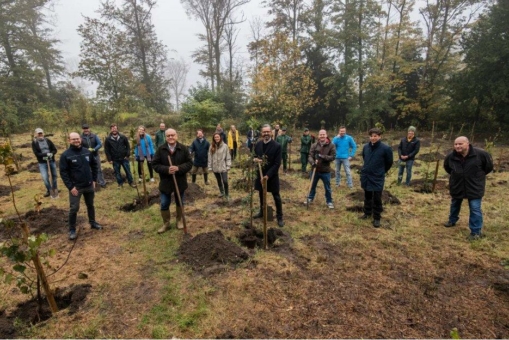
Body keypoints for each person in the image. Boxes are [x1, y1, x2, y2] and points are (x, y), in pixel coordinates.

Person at [443, 136, 493, 241]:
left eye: (460, 144)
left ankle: (475, 232)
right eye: (456, 144)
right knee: (455, 203)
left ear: (467, 143)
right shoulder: (450, 157)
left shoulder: (481, 154)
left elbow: (488, 167)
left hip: (474, 186)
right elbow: (448, 168)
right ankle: (452, 220)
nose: (457, 146)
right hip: (457, 185)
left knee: (475, 208)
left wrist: (476, 177)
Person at [59, 132, 102, 240]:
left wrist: (94, 179)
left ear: (80, 139)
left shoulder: (87, 152)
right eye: (73, 139)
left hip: (88, 185)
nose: (76, 141)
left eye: (77, 138)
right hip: (76, 187)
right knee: (74, 208)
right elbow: (63, 173)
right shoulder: (65, 155)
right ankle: (72, 229)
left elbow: (94, 165)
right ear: (69, 140)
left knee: (90, 205)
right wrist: (71, 187)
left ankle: (92, 222)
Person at [152, 128, 193, 233]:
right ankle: (166, 223)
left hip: (180, 181)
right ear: (165, 137)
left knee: (180, 202)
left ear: (176, 136)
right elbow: (155, 164)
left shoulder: (183, 148)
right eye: (168, 136)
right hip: (166, 182)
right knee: (165, 203)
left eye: (172, 135)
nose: (170, 137)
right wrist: (166, 169)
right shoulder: (161, 150)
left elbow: (189, 163)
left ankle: (179, 221)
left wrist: (178, 168)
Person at [360, 128, 393, 228]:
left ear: (379, 136)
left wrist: (381, 171)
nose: (373, 138)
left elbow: (389, 162)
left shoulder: (385, 148)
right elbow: (364, 158)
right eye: (371, 136)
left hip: (377, 176)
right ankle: (367, 213)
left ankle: (377, 217)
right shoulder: (366, 147)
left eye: (375, 136)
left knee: (377, 197)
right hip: (366, 175)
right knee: (367, 195)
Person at [253, 124, 284, 227]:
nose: (266, 133)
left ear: (271, 132)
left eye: (267, 132)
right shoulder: (258, 144)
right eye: (264, 132)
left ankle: (279, 217)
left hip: (272, 175)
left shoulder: (277, 146)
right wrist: (255, 159)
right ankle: (262, 212)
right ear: (261, 133)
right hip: (260, 174)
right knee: (261, 194)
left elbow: (277, 163)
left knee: (276, 196)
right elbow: (254, 156)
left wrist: (268, 175)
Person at [305, 129, 336, 209]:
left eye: (323, 134)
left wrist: (323, 156)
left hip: (325, 171)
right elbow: (310, 156)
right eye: (320, 134)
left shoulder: (331, 145)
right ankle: (310, 198)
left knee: (327, 187)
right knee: (312, 185)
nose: (322, 136)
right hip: (315, 170)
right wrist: (312, 163)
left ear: (326, 135)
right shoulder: (314, 145)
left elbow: (333, 157)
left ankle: (329, 201)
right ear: (318, 136)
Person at [104, 124, 136, 188]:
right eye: (112, 129)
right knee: (117, 172)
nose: (114, 130)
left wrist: (127, 155)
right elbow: (107, 150)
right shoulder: (108, 139)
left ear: (117, 129)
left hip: (124, 158)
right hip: (115, 159)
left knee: (128, 171)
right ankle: (120, 184)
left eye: (115, 128)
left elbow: (128, 146)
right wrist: (109, 159)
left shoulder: (123, 137)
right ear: (111, 130)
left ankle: (131, 182)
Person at [31, 128, 58, 197]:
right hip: (42, 162)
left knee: (54, 175)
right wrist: (45, 155)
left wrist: (51, 154)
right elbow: (36, 153)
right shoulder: (34, 143)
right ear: (36, 134)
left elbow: (54, 149)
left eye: (41, 133)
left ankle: (55, 189)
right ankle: (49, 190)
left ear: (43, 133)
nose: (40, 135)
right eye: (38, 133)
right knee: (45, 177)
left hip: (51, 161)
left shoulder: (48, 140)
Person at [81, 124, 107, 188]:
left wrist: (94, 149)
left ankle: (101, 182)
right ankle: (90, 183)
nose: (86, 130)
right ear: (83, 129)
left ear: (89, 129)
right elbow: (80, 146)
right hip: (86, 156)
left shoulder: (94, 136)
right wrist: (86, 150)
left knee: (98, 169)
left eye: (87, 128)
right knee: (88, 170)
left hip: (95, 155)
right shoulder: (80, 137)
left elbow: (100, 144)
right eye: (84, 128)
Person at [208, 132, 232, 199]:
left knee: (225, 181)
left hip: (223, 167)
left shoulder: (225, 146)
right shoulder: (211, 146)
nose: (216, 138)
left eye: (217, 137)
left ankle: (227, 194)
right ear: (213, 138)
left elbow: (228, 157)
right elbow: (210, 157)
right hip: (215, 167)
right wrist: (210, 167)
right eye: (215, 137)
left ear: (220, 137)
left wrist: (228, 165)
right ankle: (222, 192)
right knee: (219, 180)